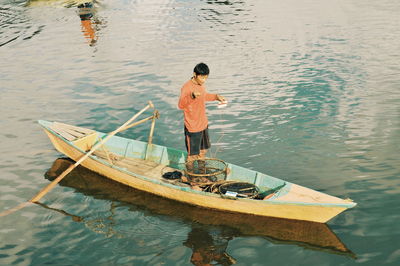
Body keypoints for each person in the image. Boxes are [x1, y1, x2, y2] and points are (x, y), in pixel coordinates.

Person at [178, 63, 225, 163]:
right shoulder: (186, 87)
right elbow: (181, 105)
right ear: (195, 74)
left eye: (206, 78)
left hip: (203, 124)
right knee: (192, 156)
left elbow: (204, 96)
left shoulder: (201, 86)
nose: (204, 80)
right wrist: (192, 96)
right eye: (202, 77)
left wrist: (216, 97)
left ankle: (201, 173)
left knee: (203, 151)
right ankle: (191, 176)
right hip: (193, 127)